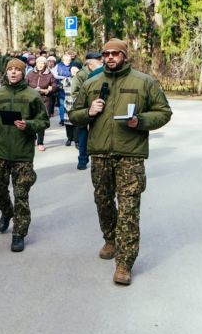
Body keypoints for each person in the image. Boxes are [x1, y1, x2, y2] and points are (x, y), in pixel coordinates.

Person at [70, 39, 172, 286]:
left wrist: (142, 121)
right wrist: (88, 112)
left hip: (131, 155)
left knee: (128, 208)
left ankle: (125, 263)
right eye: (106, 54)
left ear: (125, 56)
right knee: (103, 201)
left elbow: (164, 112)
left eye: (115, 53)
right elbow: (74, 114)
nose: (110, 57)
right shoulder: (92, 82)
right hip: (100, 154)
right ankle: (110, 239)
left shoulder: (144, 82)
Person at [0, 58, 49, 252]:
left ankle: (19, 233)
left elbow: (44, 122)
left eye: (17, 70)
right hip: (0, 153)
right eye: (10, 69)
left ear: (23, 72)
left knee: (21, 195)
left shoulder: (32, 95)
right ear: (6, 73)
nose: (13, 73)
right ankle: (6, 212)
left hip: (22, 155)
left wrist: (29, 125)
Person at [72, 52, 103, 170]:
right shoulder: (81, 75)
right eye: (99, 60)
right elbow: (75, 91)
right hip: (85, 108)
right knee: (83, 133)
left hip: (100, 107)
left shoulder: (104, 71)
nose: (102, 62)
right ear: (90, 62)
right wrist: (85, 105)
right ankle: (82, 160)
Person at [25, 56, 56, 152]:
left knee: (41, 122)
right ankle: (33, 138)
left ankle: (40, 142)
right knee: (31, 121)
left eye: (42, 63)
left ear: (45, 64)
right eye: (38, 63)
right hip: (31, 100)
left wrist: (45, 91)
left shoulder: (50, 75)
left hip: (44, 101)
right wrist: (31, 91)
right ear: (36, 63)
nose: (40, 65)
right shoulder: (30, 74)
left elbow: (54, 87)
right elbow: (24, 85)